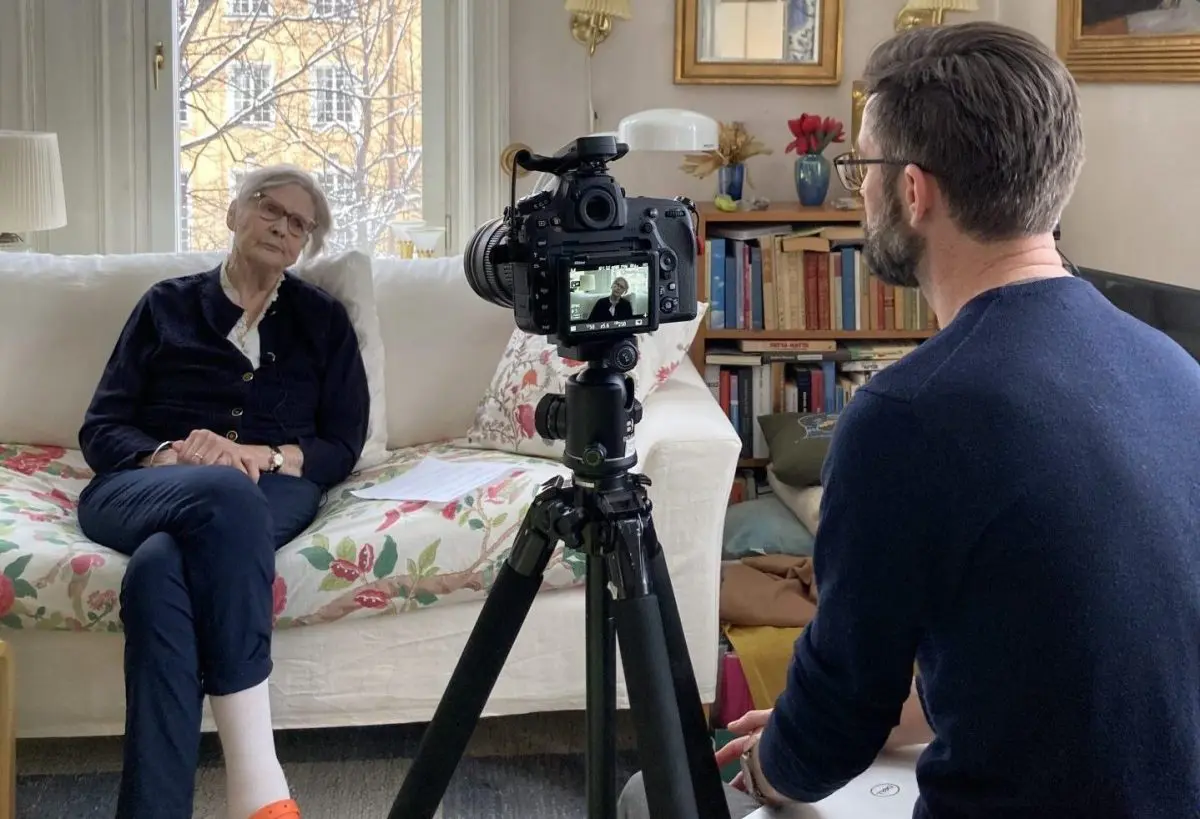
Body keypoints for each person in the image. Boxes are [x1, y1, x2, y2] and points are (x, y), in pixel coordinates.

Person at [620, 20, 1200, 819]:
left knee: (648, 796)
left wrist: (760, 775)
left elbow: (834, 719)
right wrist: (850, 724)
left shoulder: (909, 415)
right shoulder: (1174, 367)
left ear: (915, 191)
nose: (859, 186)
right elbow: (1048, 640)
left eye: (863, 165)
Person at [76, 164, 370, 819]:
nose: (283, 227)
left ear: (304, 247)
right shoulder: (165, 305)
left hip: (269, 487)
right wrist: (168, 455)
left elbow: (342, 443)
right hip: (145, 484)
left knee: (159, 569)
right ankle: (257, 784)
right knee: (221, 493)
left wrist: (257, 454)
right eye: (271, 208)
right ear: (235, 214)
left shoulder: (321, 320)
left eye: (300, 224)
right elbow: (101, 427)